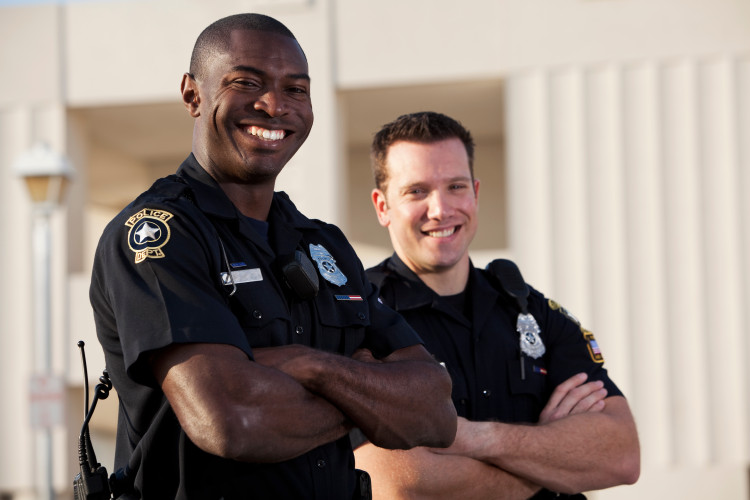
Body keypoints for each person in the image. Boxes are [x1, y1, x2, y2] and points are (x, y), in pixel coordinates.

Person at [89, 16, 456, 500]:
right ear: (192, 95)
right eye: (246, 82)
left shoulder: (323, 245)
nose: (274, 105)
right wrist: (375, 398)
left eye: (296, 89)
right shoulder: (159, 237)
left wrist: (311, 366)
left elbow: (434, 412)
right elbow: (230, 420)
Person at [354, 111, 640, 499]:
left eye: (455, 186)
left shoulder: (531, 312)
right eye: (416, 191)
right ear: (382, 206)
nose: (440, 209)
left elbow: (621, 454)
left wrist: (475, 438)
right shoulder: (356, 319)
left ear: (475, 192)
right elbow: (397, 483)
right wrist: (553, 457)